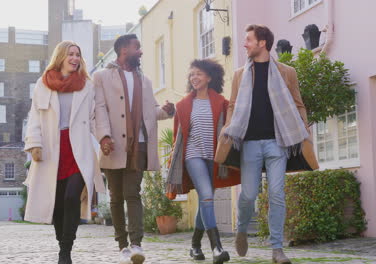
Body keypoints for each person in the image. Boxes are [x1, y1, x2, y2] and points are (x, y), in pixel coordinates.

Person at [216, 24, 318, 264]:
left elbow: (298, 103)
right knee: (249, 195)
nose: (245, 44)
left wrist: (304, 130)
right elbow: (232, 104)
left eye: (248, 39)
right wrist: (228, 127)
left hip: (278, 142)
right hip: (249, 143)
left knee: (277, 194)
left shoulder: (286, 72)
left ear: (262, 43)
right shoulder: (240, 74)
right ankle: (241, 228)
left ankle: (277, 249)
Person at [93, 34, 175, 264]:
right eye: (136, 47)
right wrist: (104, 137)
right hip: (113, 145)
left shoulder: (145, 81)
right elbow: (99, 109)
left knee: (133, 194)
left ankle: (136, 244)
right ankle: (122, 247)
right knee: (116, 197)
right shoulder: (101, 77)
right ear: (123, 50)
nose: (140, 51)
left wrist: (168, 111)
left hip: (138, 144)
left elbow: (151, 112)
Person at [23, 40, 105, 264]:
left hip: (79, 148)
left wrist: (104, 138)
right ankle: (62, 243)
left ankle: (66, 250)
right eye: (71, 54)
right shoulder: (43, 83)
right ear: (60, 57)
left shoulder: (87, 85)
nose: (75, 58)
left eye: (78, 54)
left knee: (71, 197)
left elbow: (94, 118)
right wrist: (34, 144)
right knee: (58, 202)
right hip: (52, 149)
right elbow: (35, 117)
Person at [168, 59, 240, 264]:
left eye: (198, 73)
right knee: (207, 196)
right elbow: (177, 138)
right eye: (192, 74)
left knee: (204, 201)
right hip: (193, 156)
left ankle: (194, 245)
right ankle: (217, 248)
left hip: (215, 158)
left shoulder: (222, 103)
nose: (194, 77)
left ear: (209, 77)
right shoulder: (183, 105)